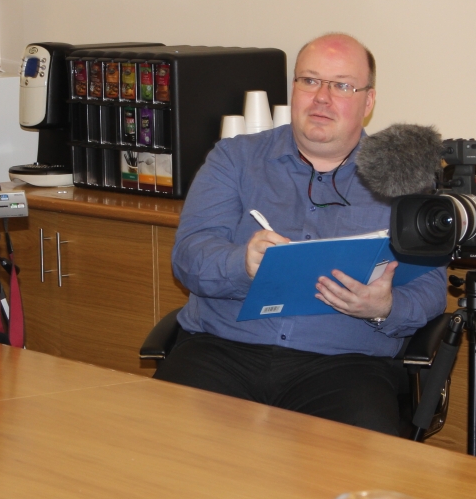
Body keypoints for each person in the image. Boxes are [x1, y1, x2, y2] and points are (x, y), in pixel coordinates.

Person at [155, 33, 448, 435]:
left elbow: (431, 289)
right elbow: (188, 257)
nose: (322, 98)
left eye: (342, 85)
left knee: (360, 459)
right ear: (293, 89)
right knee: (161, 444)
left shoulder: (404, 178)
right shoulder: (234, 159)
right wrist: (241, 263)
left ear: (368, 102)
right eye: (310, 81)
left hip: (345, 367)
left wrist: (384, 307)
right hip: (222, 351)